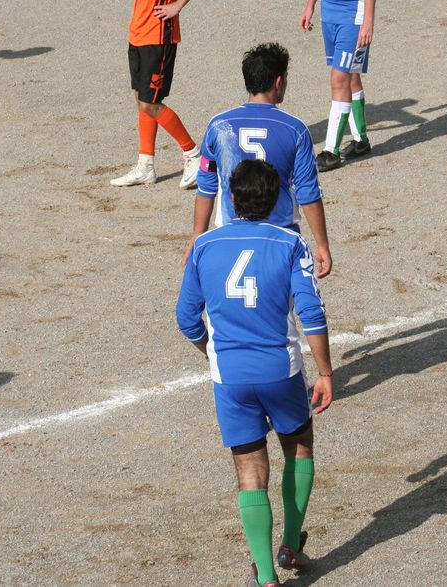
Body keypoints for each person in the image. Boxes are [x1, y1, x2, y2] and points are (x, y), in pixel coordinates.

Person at [177, 160, 334, 587]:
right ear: (277, 199)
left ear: (230, 198)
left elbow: (187, 319)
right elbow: (312, 314)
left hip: (230, 377)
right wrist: (325, 372)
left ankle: (265, 576)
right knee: (298, 447)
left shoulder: (204, 246)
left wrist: (213, 353)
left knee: (250, 472)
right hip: (281, 372)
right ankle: (291, 545)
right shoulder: (291, 243)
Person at [189, 42, 332, 278]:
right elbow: (308, 192)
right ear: (279, 82)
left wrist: (198, 235)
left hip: (230, 235)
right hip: (280, 236)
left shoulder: (218, 126)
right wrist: (322, 245)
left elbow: (206, 187)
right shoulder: (295, 130)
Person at [108, 0, 211, 188]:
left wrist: (178, 4)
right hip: (137, 34)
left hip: (159, 37)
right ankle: (146, 166)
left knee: (150, 103)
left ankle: (193, 155)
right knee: (141, 98)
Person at [299, 0, 379, 172]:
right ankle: (361, 141)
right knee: (351, 75)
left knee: (338, 79)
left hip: (352, 18)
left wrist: (367, 21)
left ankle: (331, 151)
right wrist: (310, 4)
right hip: (330, 15)